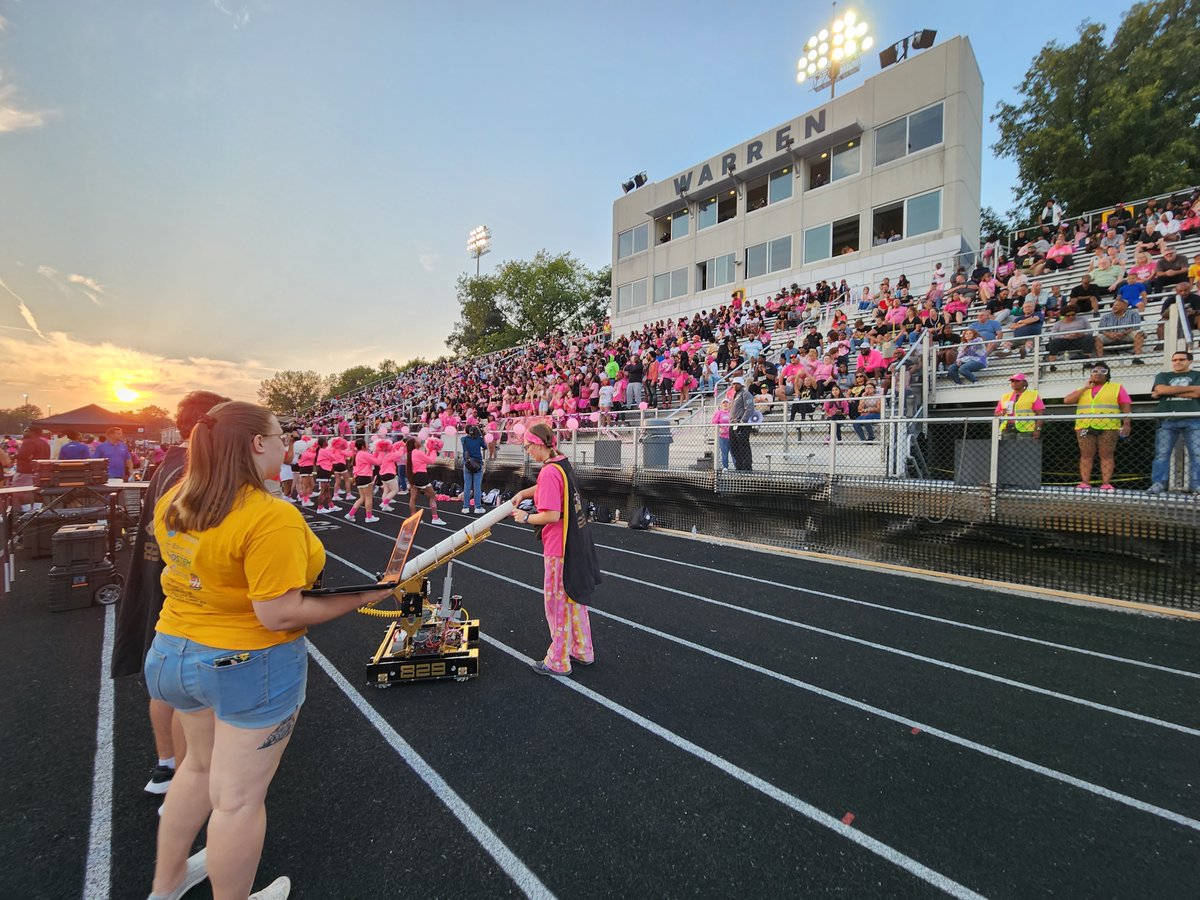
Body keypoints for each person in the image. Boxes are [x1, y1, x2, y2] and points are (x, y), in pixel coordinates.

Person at [144, 400, 396, 900]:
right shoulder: (269, 515)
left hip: (173, 649)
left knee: (196, 767)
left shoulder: (175, 498)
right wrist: (369, 595)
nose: (287, 445)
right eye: (281, 436)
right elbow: (278, 613)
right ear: (258, 443)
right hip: (245, 662)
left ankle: (166, 884)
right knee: (237, 801)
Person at [113, 390, 230, 810]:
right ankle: (186, 775)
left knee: (165, 678)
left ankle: (167, 765)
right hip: (183, 587)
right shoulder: (195, 470)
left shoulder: (170, 463)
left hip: (159, 576)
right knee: (187, 690)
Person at [509, 421, 602, 676]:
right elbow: (550, 488)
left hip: (558, 547)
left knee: (556, 603)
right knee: (574, 599)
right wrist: (525, 493)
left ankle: (558, 661)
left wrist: (525, 517)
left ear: (538, 445)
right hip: (575, 542)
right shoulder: (561, 462)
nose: (527, 451)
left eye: (527, 447)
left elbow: (550, 515)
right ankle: (583, 650)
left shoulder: (548, 472)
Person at [1064, 362, 1132, 490]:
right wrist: (1085, 388)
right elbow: (1067, 400)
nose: (1098, 374)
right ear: (1090, 374)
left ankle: (1106, 483)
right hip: (1085, 425)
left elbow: (1125, 406)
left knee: (1107, 455)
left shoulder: (1116, 387)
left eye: (1102, 371)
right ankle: (1085, 482)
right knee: (1086, 455)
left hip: (1109, 425)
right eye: (1095, 371)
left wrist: (1127, 424)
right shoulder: (1083, 389)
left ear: (1107, 374)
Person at [1148, 350, 1200, 494]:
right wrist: (1191, 389)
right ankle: (1158, 484)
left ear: (1190, 361)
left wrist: (1167, 391)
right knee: (1161, 454)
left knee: (1197, 454)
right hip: (1167, 419)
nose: (1177, 362)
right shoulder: (1163, 375)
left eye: (1181, 359)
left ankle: (1197, 485)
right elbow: (1160, 389)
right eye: (1174, 360)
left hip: (1193, 418)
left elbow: (1198, 393)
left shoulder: (1197, 375)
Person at [406, 436, 446, 525]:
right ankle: (435, 518)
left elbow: (425, 460)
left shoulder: (412, 452)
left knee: (413, 499)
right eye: (418, 440)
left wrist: (430, 450)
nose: (420, 441)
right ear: (415, 444)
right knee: (433, 496)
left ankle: (414, 518)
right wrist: (434, 450)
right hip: (421, 476)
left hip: (415, 476)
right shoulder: (417, 452)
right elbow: (431, 461)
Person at [1094, 297, 1145, 364]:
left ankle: (1137, 357)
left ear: (1124, 307)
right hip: (1110, 336)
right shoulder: (1106, 316)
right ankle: (1100, 360)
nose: (1114, 307)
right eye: (1113, 305)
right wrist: (1109, 334)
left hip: (1127, 334)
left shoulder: (1133, 314)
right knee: (1097, 337)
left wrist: (1123, 333)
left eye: (1117, 305)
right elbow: (1101, 329)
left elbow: (1136, 327)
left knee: (1139, 333)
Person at [344, 437, 383, 523]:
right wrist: (381, 452)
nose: (368, 445)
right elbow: (377, 462)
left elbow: (372, 458)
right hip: (365, 477)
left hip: (359, 478)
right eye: (366, 444)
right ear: (362, 446)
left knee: (362, 498)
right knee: (369, 497)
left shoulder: (359, 454)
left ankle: (350, 514)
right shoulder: (364, 454)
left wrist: (376, 452)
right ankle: (369, 517)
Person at [994, 374, 1044, 438]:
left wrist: (1037, 429)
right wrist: (1002, 412)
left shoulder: (1033, 395)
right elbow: (996, 414)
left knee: (1025, 444)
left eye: (1017, 381)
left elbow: (1040, 415)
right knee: (1007, 444)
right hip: (1007, 428)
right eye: (1012, 381)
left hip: (1026, 429)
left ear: (1024, 382)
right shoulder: (1005, 396)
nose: (1014, 383)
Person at [728, 376, 756, 471]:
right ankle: (739, 466)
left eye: (736, 384)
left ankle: (747, 467)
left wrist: (742, 421)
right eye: (733, 384)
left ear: (741, 384)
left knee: (743, 446)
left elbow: (749, 408)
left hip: (741, 424)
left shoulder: (746, 394)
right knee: (734, 447)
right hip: (733, 423)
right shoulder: (735, 395)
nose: (734, 386)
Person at [460, 424, 486, 514]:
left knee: (467, 486)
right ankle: (477, 507)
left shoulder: (464, 439)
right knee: (477, 487)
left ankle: (465, 507)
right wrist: (482, 436)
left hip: (467, 464)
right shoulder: (479, 439)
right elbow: (485, 447)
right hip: (477, 464)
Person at [711, 398, 732, 469]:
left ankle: (737, 468)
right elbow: (714, 422)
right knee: (724, 453)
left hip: (732, 436)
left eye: (727, 402)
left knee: (734, 453)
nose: (725, 404)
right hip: (723, 437)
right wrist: (719, 429)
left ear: (730, 404)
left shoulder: (732, 412)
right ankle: (725, 468)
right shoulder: (719, 413)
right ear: (721, 405)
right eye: (724, 403)